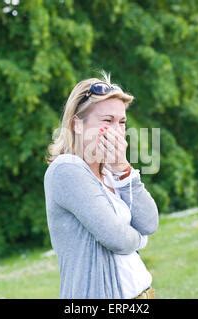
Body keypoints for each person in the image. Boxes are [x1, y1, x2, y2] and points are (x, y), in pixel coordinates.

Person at [43, 71, 159, 299]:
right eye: (107, 121)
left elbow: (150, 221)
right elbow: (116, 237)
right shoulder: (67, 170)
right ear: (77, 124)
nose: (117, 130)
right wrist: (141, 239)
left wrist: (122, 168)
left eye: (122, 122)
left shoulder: (110, 171)